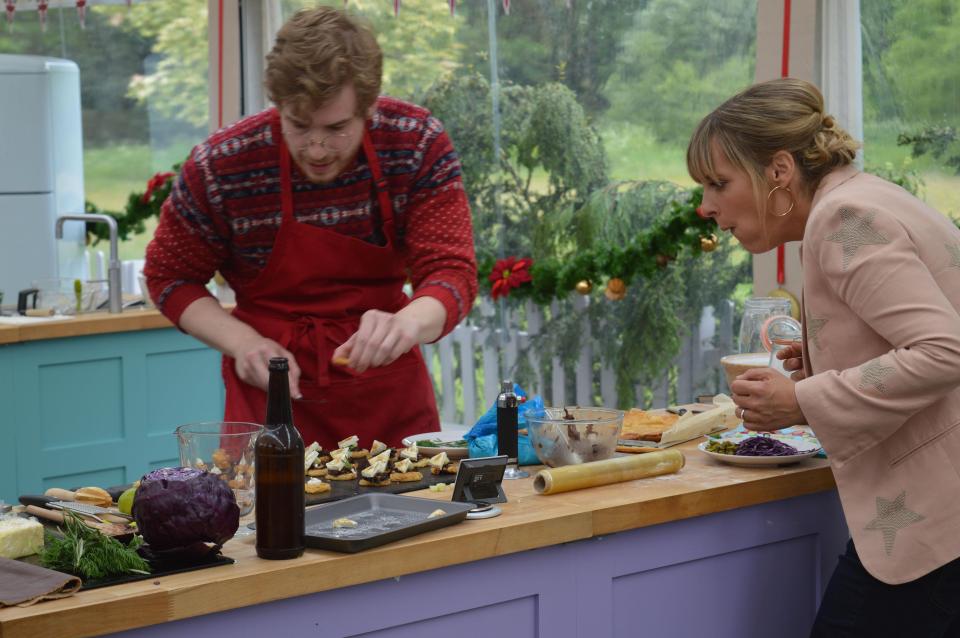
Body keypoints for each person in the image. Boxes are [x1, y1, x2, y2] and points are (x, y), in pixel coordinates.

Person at [688, 78, 960, 636]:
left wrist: (802, 399)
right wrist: (828, 361)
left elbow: (945, 350)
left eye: (719, 183)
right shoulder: (867, 198)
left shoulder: (842, 220)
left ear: (779, 172)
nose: (706, 206)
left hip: (934, 530)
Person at [144, 6, 477, 449]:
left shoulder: (414, 144)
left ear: (369, 106)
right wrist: (243, 343)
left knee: (412, 511)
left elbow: (453, 272)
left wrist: (407, 324)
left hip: (386, 397)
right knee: (266, 518)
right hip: (269, 399)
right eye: (298, 126)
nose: (317, 149)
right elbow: (169, 276)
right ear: (277, 105)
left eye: (337, 128)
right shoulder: (223, 165)